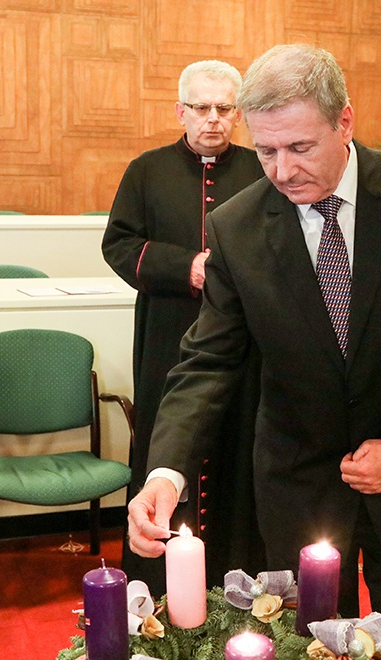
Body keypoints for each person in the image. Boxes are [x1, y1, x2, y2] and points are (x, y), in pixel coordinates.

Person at [126, 44, 381, 660]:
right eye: (265, 151)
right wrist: (164, 474)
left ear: (345, 122)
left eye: (300, 147)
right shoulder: (236, 226)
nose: (281, 171)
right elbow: (207, 362)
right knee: (307, 644)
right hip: (298, 482)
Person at [101, 60, 265, 590]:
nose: (213, 118)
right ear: (181, 111)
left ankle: (237, 583)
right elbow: (118, 244)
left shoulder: (262, 169)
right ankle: (157, 583)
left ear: (237, 114)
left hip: (244, 342)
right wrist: (186, 267)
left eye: (223, 108)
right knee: (167, 446)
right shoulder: (146, 170)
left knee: (239, 448)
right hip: (168, 337)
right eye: (201, 107)